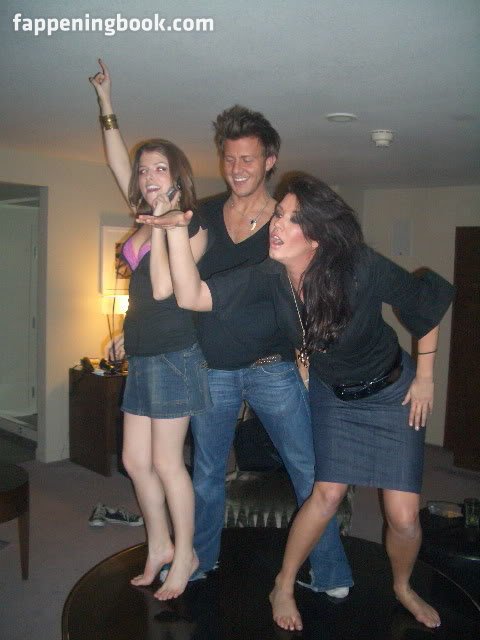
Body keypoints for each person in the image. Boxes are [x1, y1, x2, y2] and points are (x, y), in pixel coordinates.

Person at [150, 173, 454, 630]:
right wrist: (175, 231)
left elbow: (425, 305)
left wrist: (426, 377)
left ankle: (402, 586)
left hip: (393, 392)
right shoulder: (270, 276)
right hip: (335, 397)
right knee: (325, 494)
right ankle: (284, 584)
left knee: (404, 517)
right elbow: (192, 295)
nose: (276, 224)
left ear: (315, 236)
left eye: (291, 219)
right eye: (279, 214)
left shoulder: (359, 266)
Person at [137, 106, 353, 597]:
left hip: (271, 368)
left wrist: (307, 358)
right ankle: (199, 558)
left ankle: (331, 572)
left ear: (269, 160)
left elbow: (307, 291)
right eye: (230, 158)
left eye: (248, 159)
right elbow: (173, 282)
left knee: (308, 471)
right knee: (207, 473)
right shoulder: (205, 214)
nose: (237, 169)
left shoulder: (285, 222)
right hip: (211, 367)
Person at [89, 60, 211, 600]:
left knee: (166, 462)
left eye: (159, 169)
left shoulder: (190, 224)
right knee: (134, 460)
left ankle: (186, 553)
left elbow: (164, 288)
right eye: (144, 172)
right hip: (143, 352)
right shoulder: (145, 215)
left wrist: (164, 224)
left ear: (177, 176)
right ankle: (159, 543)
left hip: (175, 355)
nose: (147, 177)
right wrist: (106, 103)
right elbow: (116, 160)